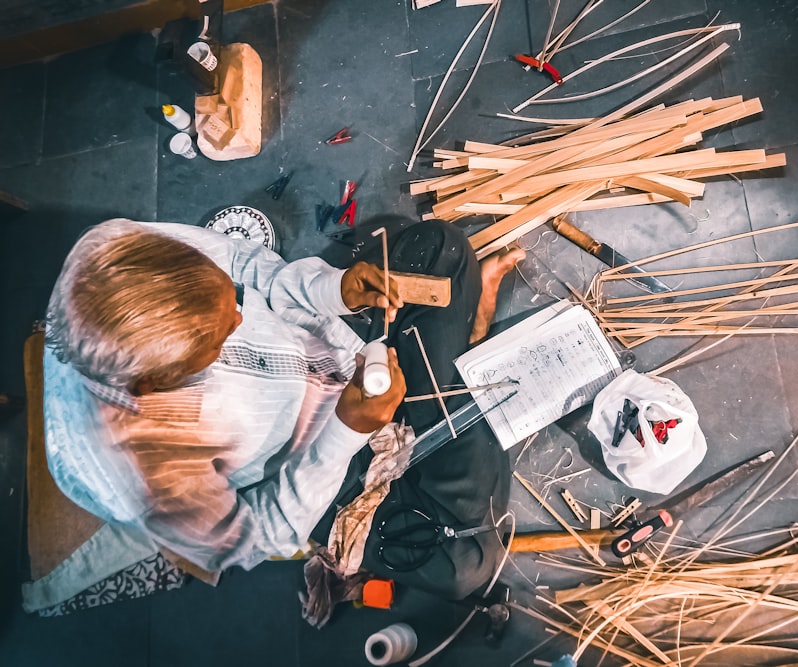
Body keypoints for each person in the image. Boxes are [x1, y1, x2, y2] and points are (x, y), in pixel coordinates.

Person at [41, 215, 524, 600]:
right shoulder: (138, 476)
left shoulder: (115, 249)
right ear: (157, 384)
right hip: (322, 466)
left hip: (332, 344)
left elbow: (249, 267)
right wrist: (343, 433)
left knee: (439, 247)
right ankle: (455, 361)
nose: (238, 316)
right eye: (218, 337)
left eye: (228, 301)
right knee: (465, 565)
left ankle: (450, 382)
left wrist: (333, 291)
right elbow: (263, 535)